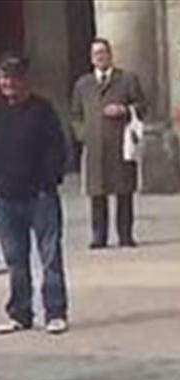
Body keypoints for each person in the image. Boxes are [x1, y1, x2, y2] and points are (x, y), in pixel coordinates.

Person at [0, 54, 70, 336]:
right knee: (15, 260)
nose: (8, 84)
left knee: (49, 256)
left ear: (23, 80)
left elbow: (57, 148)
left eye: (12, 78)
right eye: (3, 78)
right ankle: (20, 312)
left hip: (40, 196)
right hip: (7, 198)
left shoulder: (43, 110)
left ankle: (55, 311)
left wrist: (49, 180)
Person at [71, 38, 147, 249]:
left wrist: (124, 110)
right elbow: (75, 115)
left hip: (121, 143)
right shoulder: (83, 84)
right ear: (91, 58)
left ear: (110, 55)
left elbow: (142, 105)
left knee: (124, 191)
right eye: (96, 54)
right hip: (95, 146)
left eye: (103, 52)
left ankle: (125, 234)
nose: (100, 57)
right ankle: (99, 236)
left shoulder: (127, 79)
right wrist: (83, 134)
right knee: (97, 193)